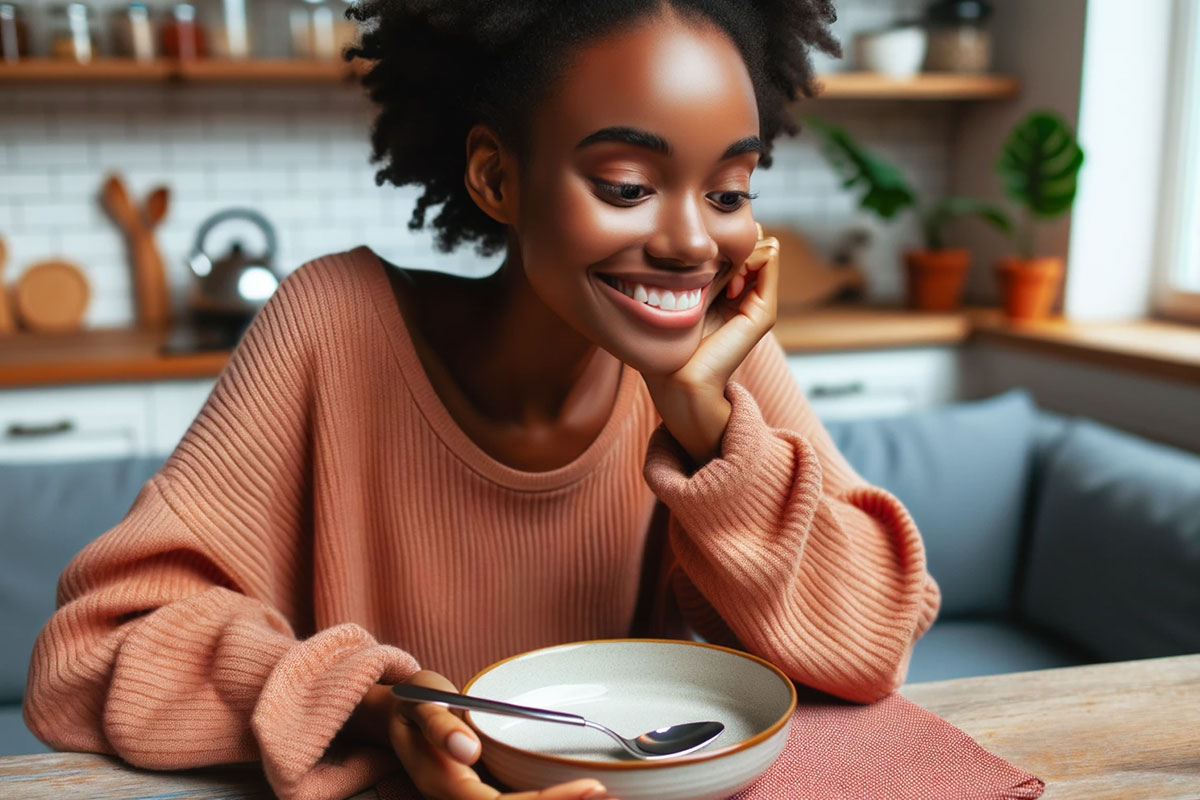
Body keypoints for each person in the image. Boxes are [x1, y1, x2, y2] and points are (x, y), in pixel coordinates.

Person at [23, 2, 942, 799]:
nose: (692, 242)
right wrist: (377, 708)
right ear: (497, 179)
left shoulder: (710, 366)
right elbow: (90, 654)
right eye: (627, 185)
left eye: (730, 190)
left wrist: (704, 423)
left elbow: (873, 647)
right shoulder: (333, 326)